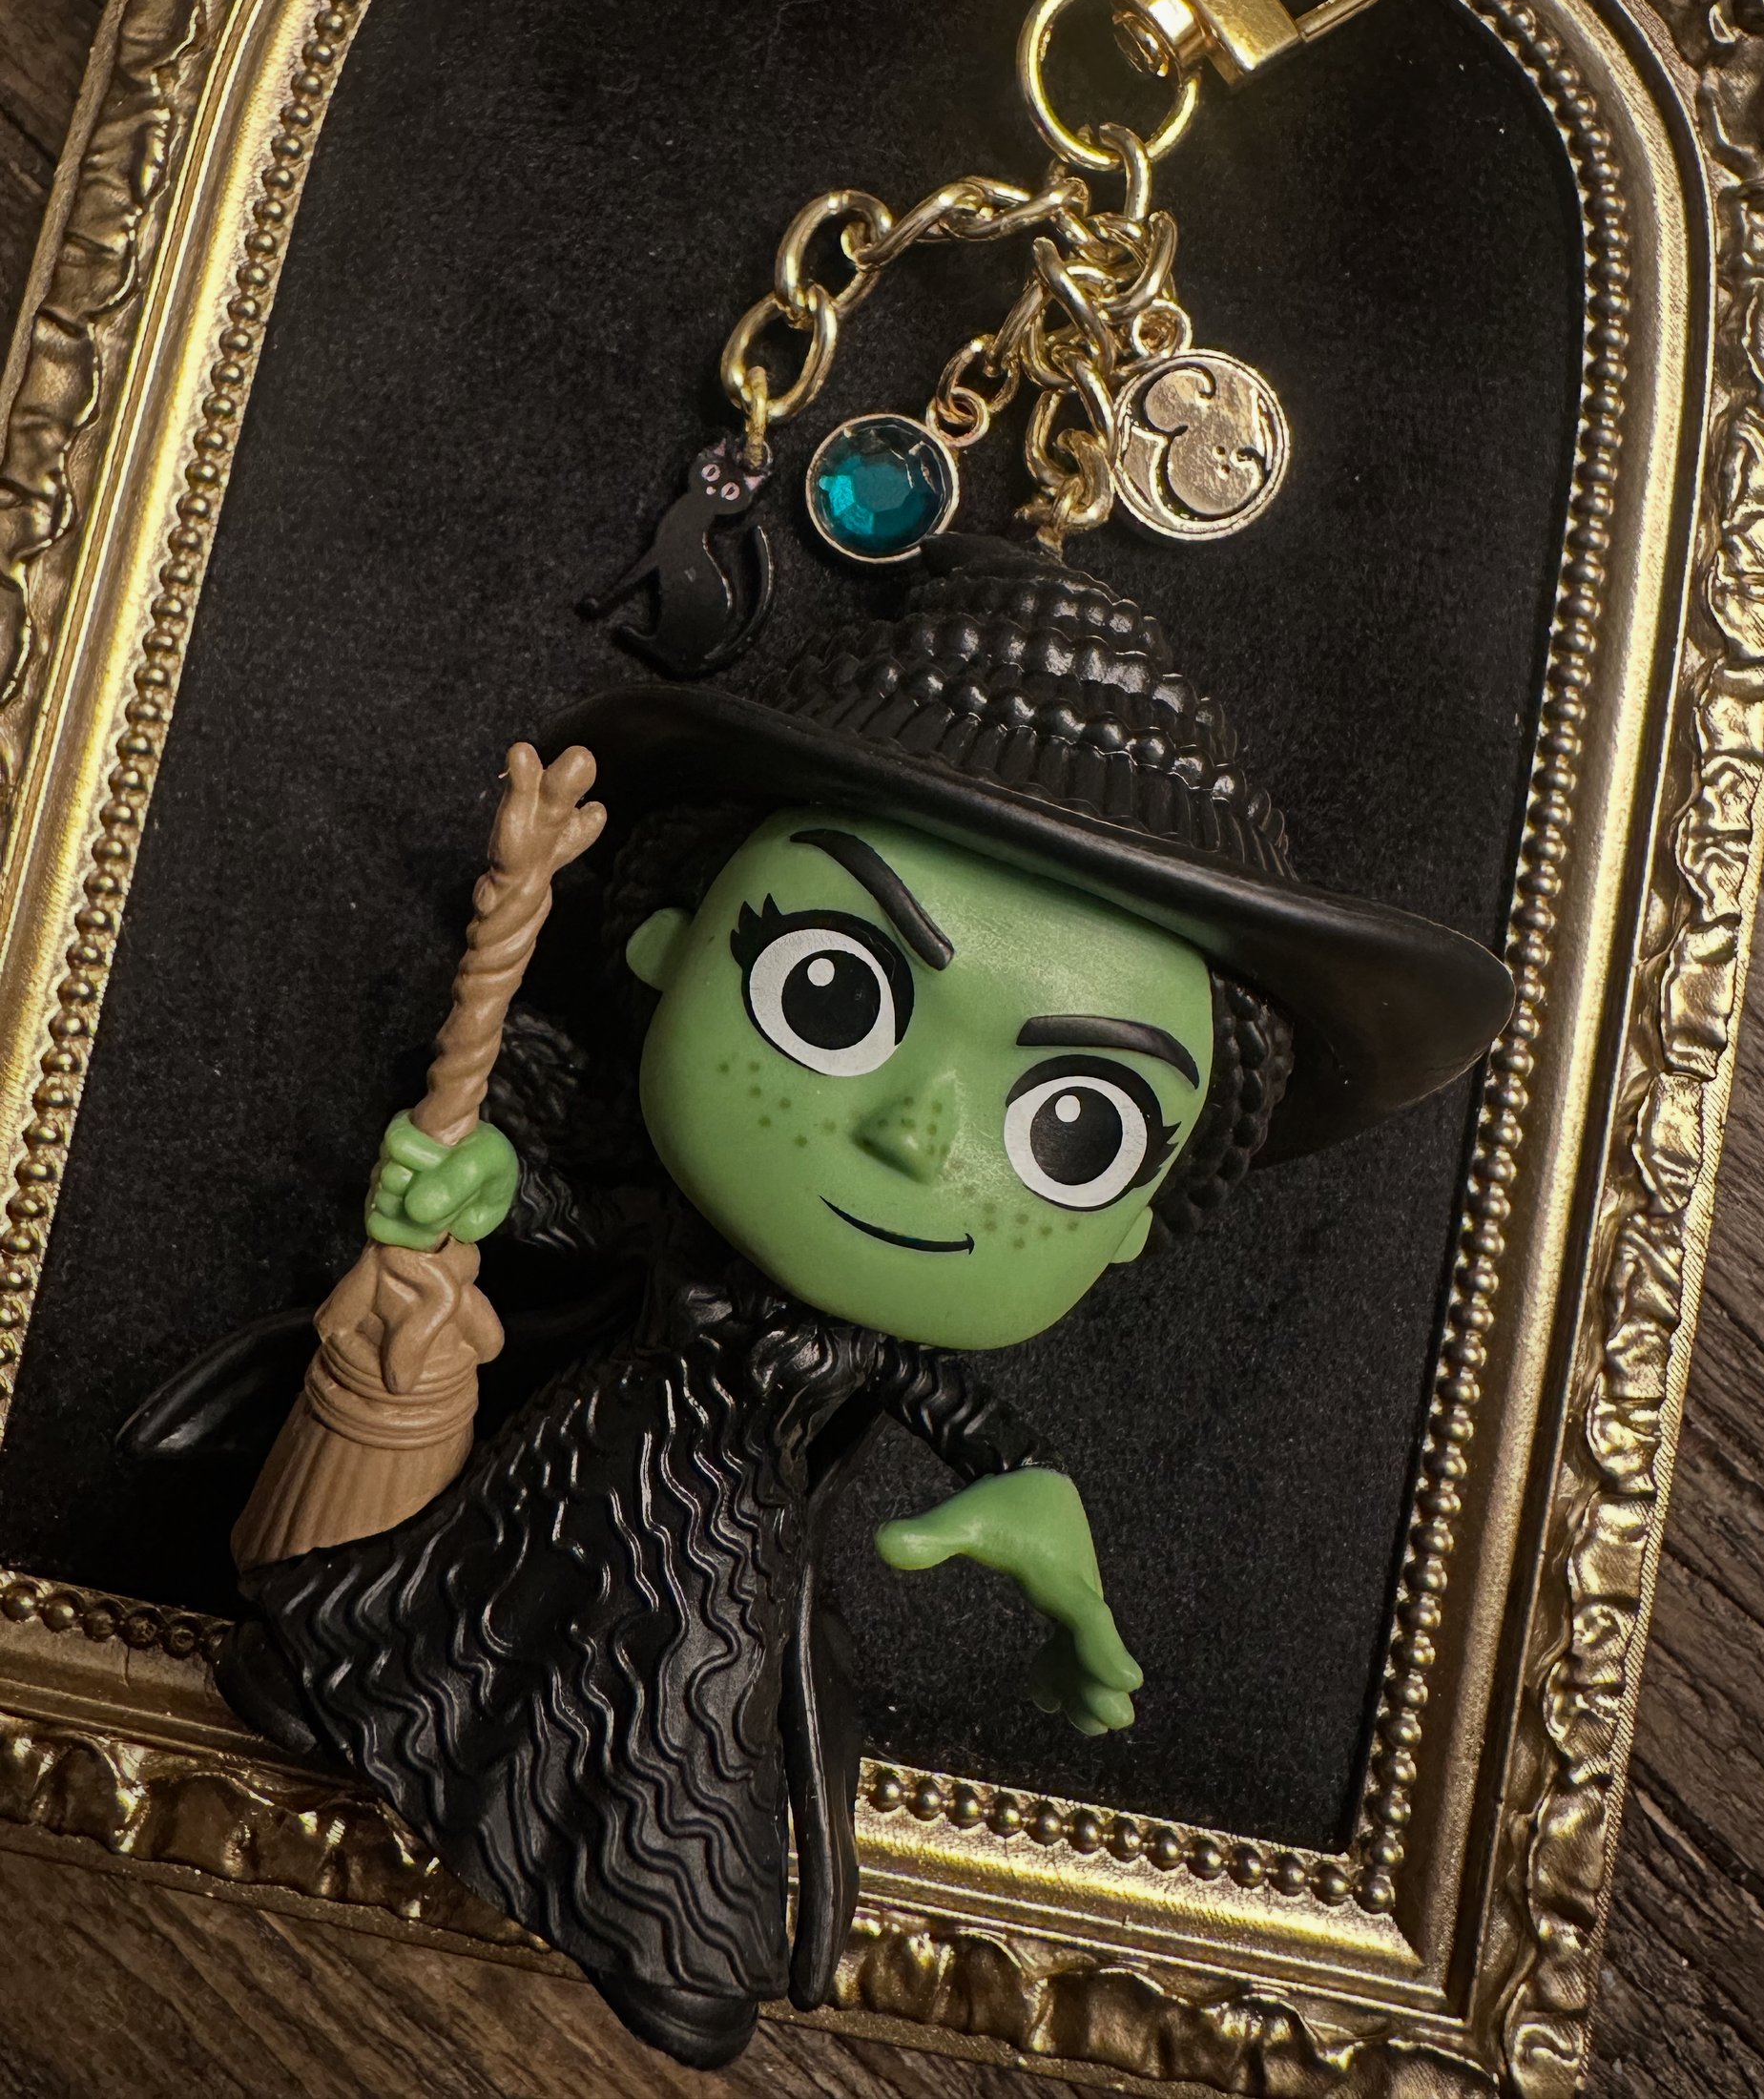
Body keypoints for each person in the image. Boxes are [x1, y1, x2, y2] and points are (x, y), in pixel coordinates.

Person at [208, 536, 1510, 2065]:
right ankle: (331, 1688)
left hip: (719, 1549)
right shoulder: (674, 1231)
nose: (912, 1132)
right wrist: (484, 1182)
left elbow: (961, 1416)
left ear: (1137, 1219)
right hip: (564, 1463)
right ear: (668, 946)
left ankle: (670, 1931)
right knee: (458, 1607)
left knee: (684, 1709)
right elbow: (579, 1215)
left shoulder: (857, 1340)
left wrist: (1041, 1521)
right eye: (831, 992)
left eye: (1073, 1126)